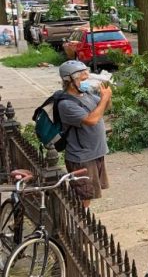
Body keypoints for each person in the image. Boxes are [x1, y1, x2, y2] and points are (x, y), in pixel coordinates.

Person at [57, 60, 112, 208]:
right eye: (82, 76)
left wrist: (106, 95)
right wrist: (104, 99)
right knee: (83, 195)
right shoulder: (66, 104)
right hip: (81, 157)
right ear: (70, 80)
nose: (86, 78)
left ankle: (84, 220)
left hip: (95, 153)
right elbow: (92, 120)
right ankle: (79, 226)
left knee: (90, 193)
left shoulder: (85, 94)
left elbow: (104, 107)